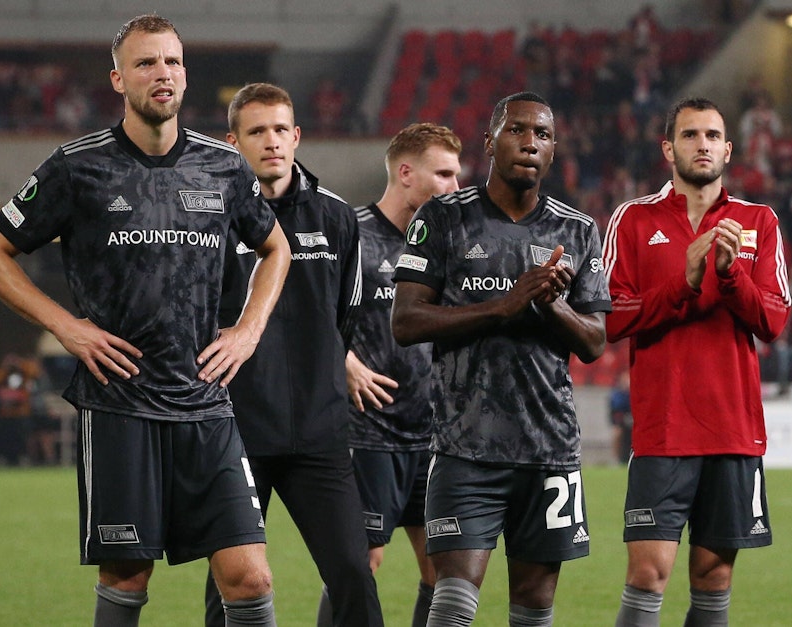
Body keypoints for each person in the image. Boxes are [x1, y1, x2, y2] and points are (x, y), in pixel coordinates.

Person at [0, 14, 290, 626]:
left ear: (185, 75)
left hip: (206, 401)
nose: (160, 73)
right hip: (120, 405)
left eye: (170, 61)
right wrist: (68, 326)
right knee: (127, 576)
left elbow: (277, 248)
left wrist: (247, 331)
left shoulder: (222, 168)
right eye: (145, 63)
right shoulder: (76, 167)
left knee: (250, 577)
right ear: (118, 80)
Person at [391, 92, 610, 627]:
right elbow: (407, 322)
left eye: (541, 134)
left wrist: (549, 304)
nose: (529, 142)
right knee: (453, 603)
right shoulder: (442, 219)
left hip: (548, 449)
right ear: (490, 143)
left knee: (534, 610)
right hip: (466, 447)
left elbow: (595, 342)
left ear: (554, 150)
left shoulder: (577, 231)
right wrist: (506, 305)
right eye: (516, 130)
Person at [604, 97, 790, 627]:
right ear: (668, 148)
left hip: (732, 430)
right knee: (647, 574)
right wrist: (683, 281)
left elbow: (773, 322)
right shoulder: (633, 220)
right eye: (689, 135)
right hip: (664, 430)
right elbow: (612, 319)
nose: (702, 144)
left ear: (728, 149)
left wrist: (730, 278)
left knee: (713, 580)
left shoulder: (758, 220)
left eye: (712, 135)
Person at [207, 81, 380, 627]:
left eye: (281, 129)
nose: (272, 141)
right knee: (232, 584)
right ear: (233, 142)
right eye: (256, 131)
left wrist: (323, 373)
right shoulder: (212, 218)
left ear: (297, 135)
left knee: (353, 571)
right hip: (235, 430)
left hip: (318, 432)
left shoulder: (336, 217)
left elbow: (346, 317)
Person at [344, 122, 464, 627]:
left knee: (442, 569)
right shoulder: (350, 234)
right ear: (407, 173)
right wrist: (343, 362)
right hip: (369, 432)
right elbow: (302, 313)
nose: (455, 188)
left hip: (434, 436)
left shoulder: (446, 243)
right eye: (445, 174)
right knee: (359, 565)